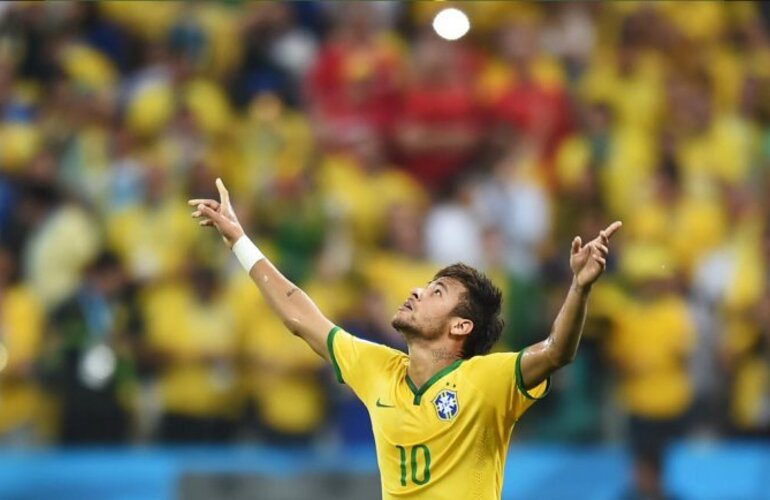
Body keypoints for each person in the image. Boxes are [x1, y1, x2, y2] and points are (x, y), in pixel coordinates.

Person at [190, 178, 621, 499]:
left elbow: (556, 352)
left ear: (461, 326)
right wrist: (239, 240)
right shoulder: (380, 370)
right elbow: (300, 315)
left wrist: (580, 287)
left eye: (437, 292)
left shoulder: (487, 381)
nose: (416, 291)